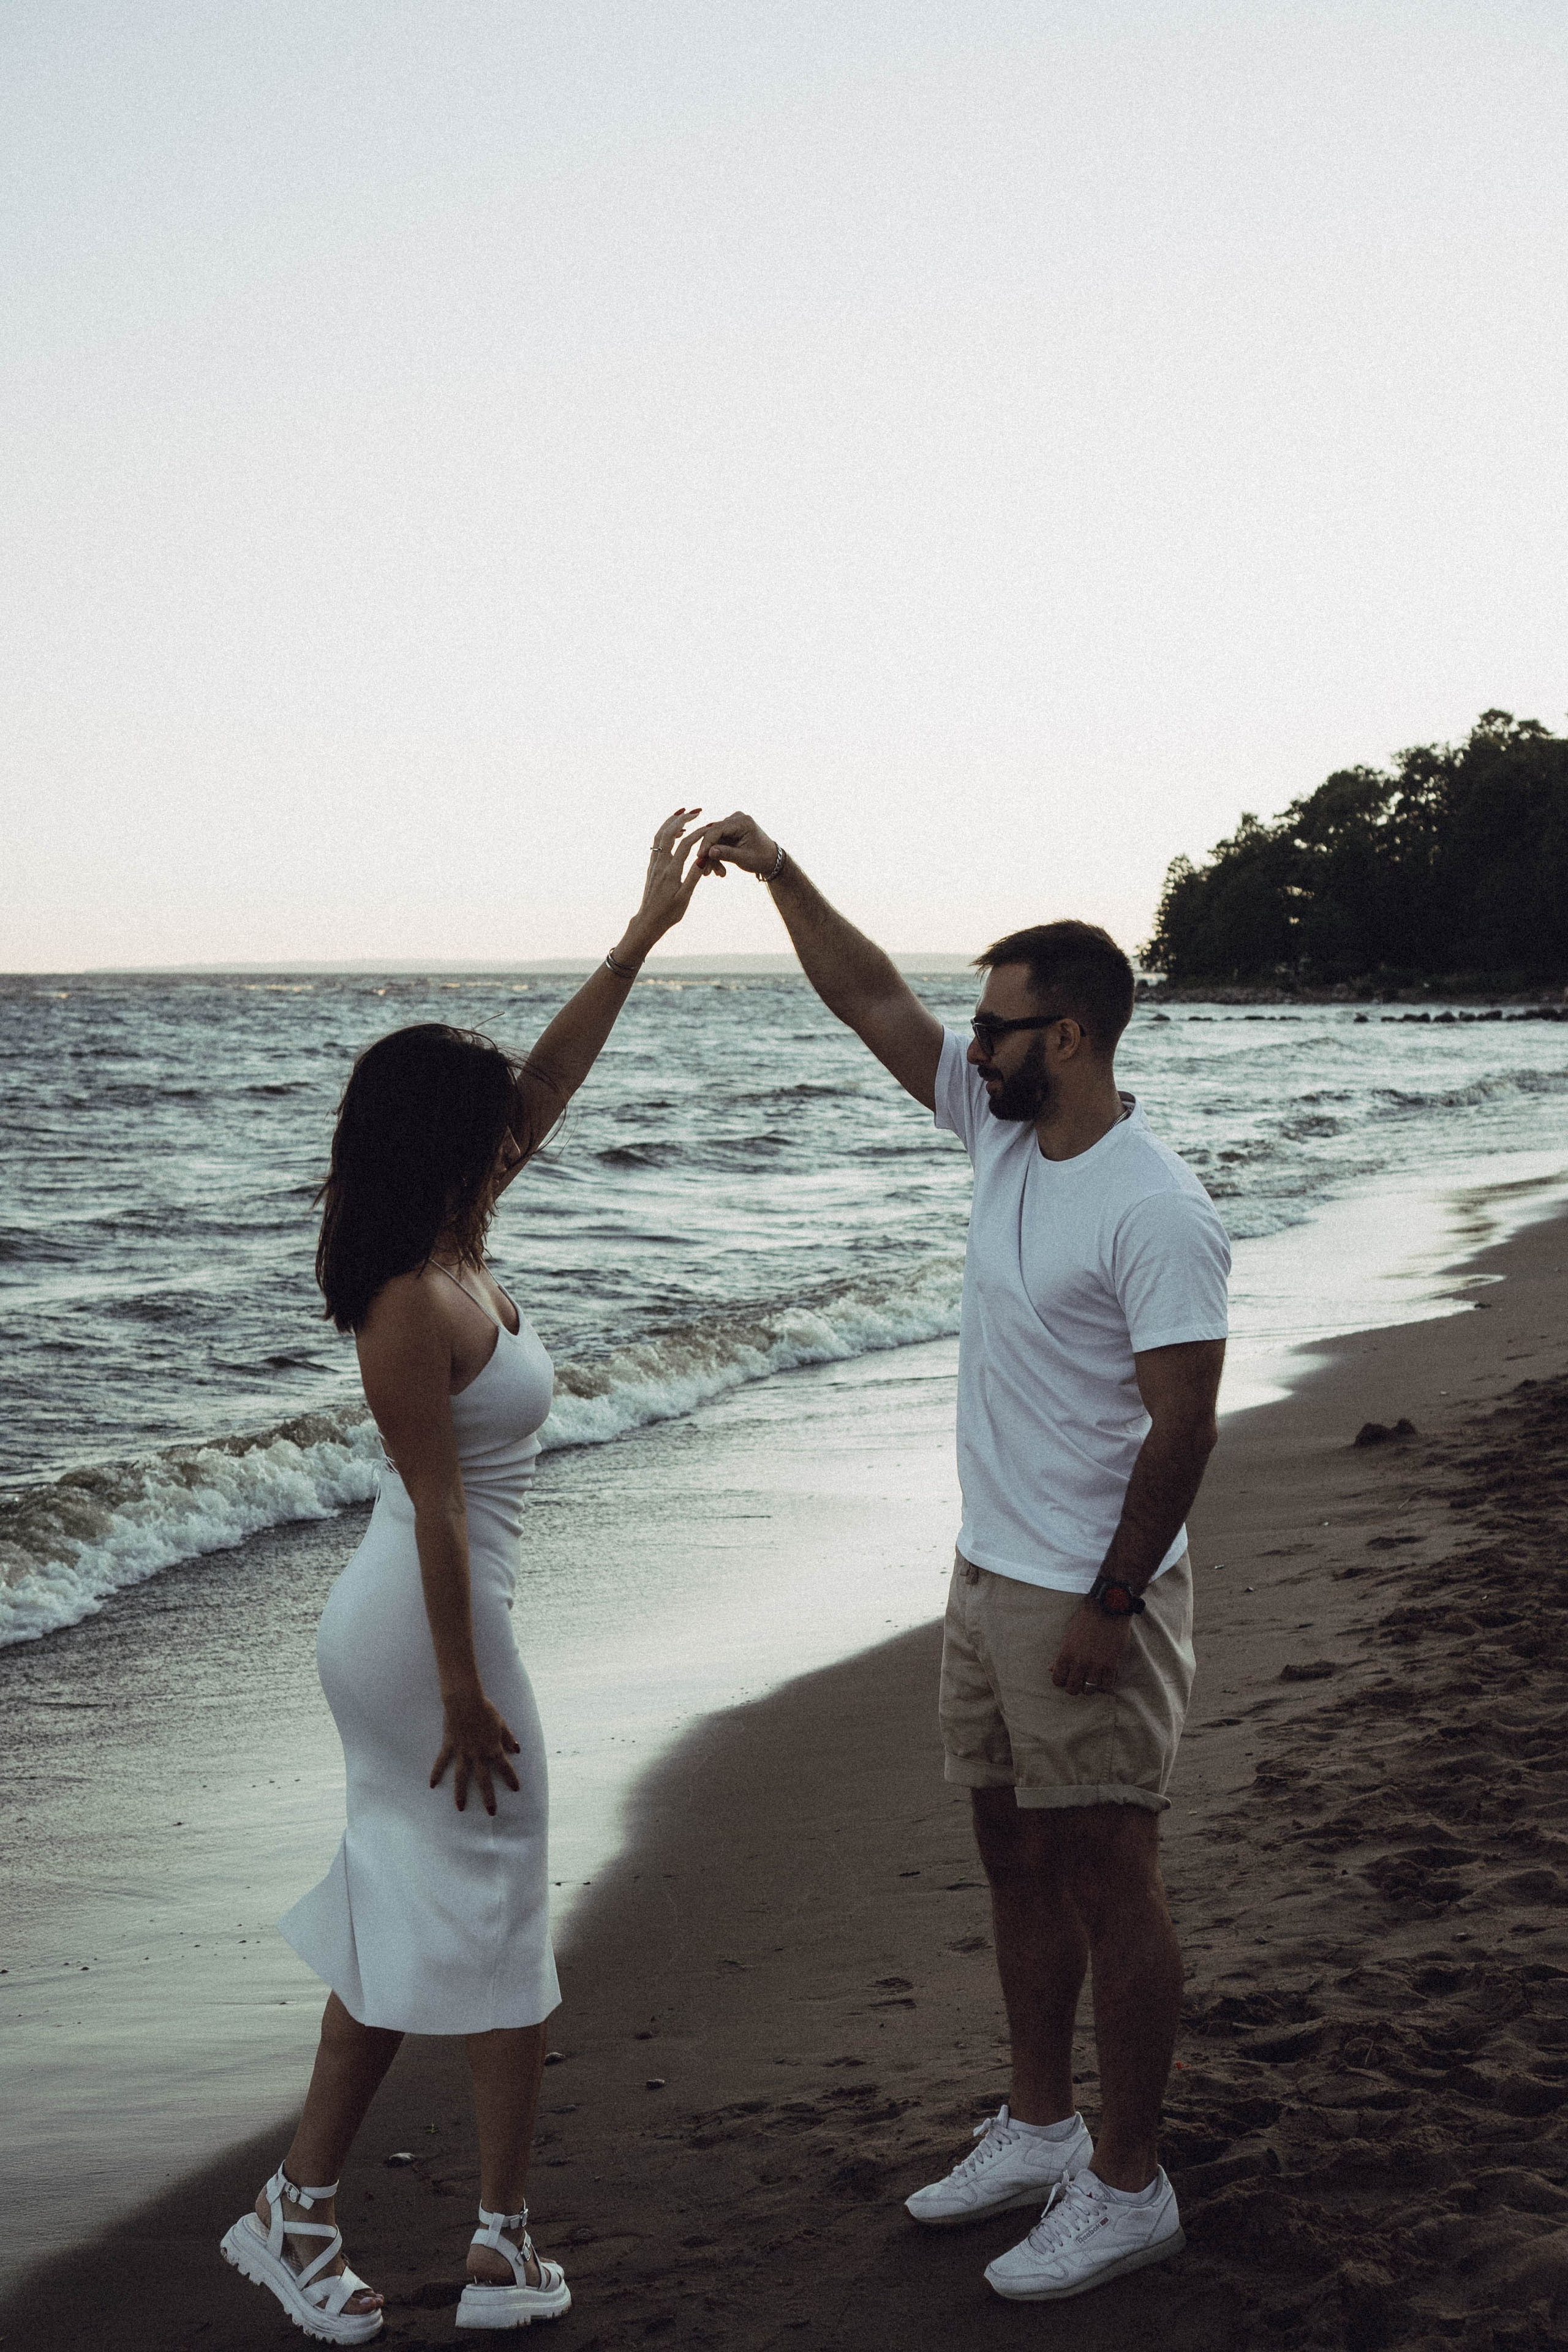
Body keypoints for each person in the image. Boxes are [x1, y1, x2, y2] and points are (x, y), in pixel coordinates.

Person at [691, 813, 1229, 2305]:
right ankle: (1041, 2128)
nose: (965, 1045)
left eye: (993, 1026)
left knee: (1109, 1872)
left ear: (1063, 1036)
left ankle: (1129, 2185)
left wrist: (1111, 1605)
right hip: (986, 1571)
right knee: (1009, 1856)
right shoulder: (1000, 1132)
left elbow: (1182, 1431)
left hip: (1088, 1588)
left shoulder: (1154, 1206)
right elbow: (868, 1000)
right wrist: (783, 873)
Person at [219, 811, 710, 2343]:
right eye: (490, 1114)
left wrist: (637, 939)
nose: (521, 1124)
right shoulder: (401, 1302)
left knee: (412, 1908)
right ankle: (497, 2245)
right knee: (495, 1914)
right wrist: (460, 1690)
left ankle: (296, 2212)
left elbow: (553, 1079)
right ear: (442, 1137)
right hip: (422, 1628)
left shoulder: (460, 1240)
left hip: (433, 1618)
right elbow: (434, 1505)